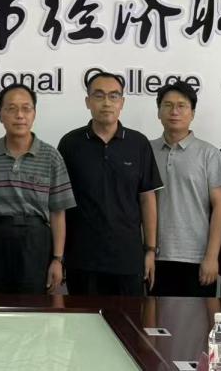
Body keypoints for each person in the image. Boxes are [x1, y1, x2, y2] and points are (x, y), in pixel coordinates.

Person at [58, 70, 163, 296]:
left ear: (122, 102)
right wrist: (59, 257)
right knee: (83, 318)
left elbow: (147, 199)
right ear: (87, 101)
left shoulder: (138, 143)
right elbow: (60, 204)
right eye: (99, 95)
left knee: (128, 318)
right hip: (82, 258)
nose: (106, 102)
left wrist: (150, 250)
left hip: (127, 258)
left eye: (113, 96)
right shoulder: (70, 144)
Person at [0, 83, 76, 294]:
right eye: (11, 109)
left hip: (35, 242)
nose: (19, 115)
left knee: (33, 307)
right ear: (0, 115)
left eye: (26, 108)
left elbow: (57, 212)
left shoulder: (51, 156)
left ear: (34, 114)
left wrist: (57, 259)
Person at [150, 80, 221, 297]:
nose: (174, 111)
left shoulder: (209, 154)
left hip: (196, 258)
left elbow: (220, 207)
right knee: (155, 317)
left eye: (181, 106)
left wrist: (212, 256)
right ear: (158, 112)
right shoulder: (146, 150)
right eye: (167, 105)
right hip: (154, 256)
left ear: (192, 113)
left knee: (196, 318)